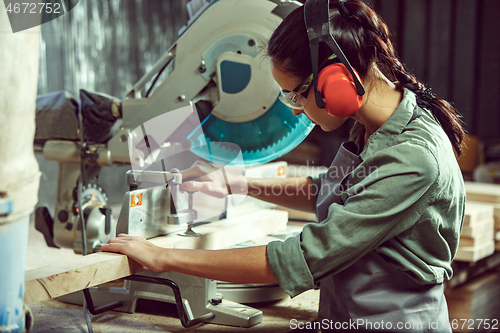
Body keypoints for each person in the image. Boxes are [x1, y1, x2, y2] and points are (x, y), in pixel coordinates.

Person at [100, 1, 466, 331]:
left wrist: (163, 257)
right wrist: (233, 182)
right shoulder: (378, 123)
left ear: (334, 83)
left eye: (295, 93)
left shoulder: (413, 157)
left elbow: (304, 257)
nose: (292, 108)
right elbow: (332, 189)